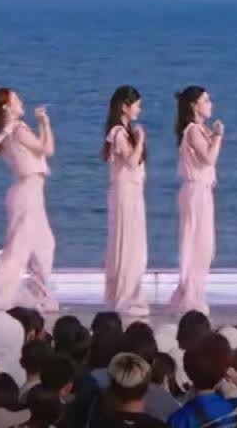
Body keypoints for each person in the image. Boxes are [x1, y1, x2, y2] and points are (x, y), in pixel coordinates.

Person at [0, 87, 59, 313]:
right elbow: (46, 148)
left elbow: (43, 150)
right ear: (7, 107)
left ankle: (38, 295)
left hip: (32, 193)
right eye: (17, 99)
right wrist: (44, 123)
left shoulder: (10, 130)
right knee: (18, 249)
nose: (21, 102)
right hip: (27, 193)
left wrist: (43, 124)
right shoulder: (17, 129)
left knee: (44, 246)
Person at [167, 86, 224, 316]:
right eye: (205, 100)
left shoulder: (200, 130)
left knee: (203, 245)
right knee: (197, 244)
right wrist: (218, 136)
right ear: (194, 105)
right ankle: (190, 295)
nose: (210, 104)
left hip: (202, 191)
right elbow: (208, 158)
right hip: (195, 192)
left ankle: (192, 293)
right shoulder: (192, 131)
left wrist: (214, 136)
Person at [102, 86, 150, 318]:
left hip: (132, 192)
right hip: (124, 193)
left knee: (134, 246)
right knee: (127, 245)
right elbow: (131, 162)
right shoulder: (118, 132)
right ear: (124, 106)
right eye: (136, 105)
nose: (139, 109)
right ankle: (123, 296)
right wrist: (140, 140)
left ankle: (130, 294)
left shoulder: (125, 131)